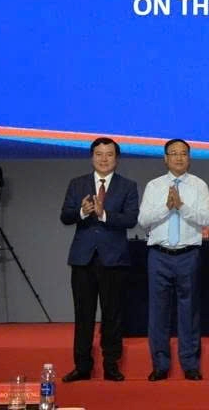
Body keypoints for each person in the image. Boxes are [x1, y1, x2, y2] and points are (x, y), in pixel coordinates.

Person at [58, 137, 139, 383]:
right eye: (99, 154)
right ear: (92, 157)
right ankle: (82, 366)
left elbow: (130, 219)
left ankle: (111, 366)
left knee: (112, 315)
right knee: (83, 315)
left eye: (109, 154)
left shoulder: (128, 186)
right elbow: (65, 216)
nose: (104, 159)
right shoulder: (77, 183)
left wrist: (104, 215)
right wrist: (82, 212)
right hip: (83, 259)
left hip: (114, 259)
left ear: (117, 158)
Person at [137, 138, 209, 381]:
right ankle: (160, 364)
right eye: (174, 153)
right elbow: (143, 220)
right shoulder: (154, 185)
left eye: (183, 154)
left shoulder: (199, 185)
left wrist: (182, 206)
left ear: (189, 158)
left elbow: (205, 219)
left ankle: (190, 364)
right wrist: (167, 207)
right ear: (165, 158)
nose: (179, 158)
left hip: (188, 255)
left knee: (189, 311)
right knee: (158, 312)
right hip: (159, 255)